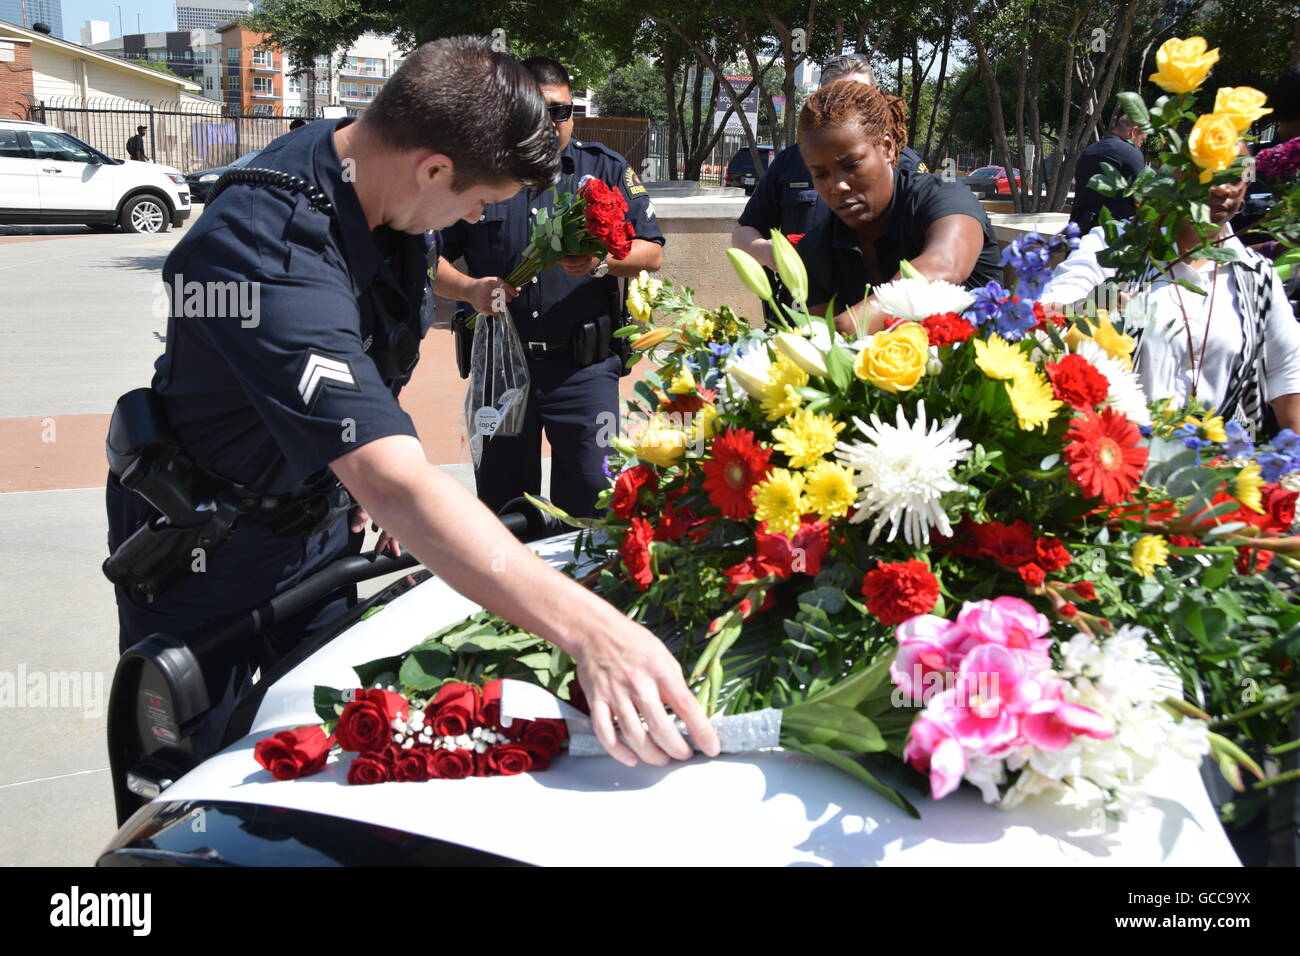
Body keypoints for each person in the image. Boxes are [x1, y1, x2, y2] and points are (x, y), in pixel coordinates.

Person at [105, 36, 718, 769]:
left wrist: (347, 478)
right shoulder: (270, 246)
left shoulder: (382, 196)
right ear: (433, 168)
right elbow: (394, 478)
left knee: (313, 753)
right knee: (218, 781)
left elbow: (362, 373)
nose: (466, 222)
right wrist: (594, 632)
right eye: (479, 203)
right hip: (212, 566)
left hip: (319, 537)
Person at [434, 57, 664, 519]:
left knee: (594, 504)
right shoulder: (479, 175)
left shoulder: (604, 170)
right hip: (501, 368)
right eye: (539, 113)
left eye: (562, 111)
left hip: (582, 371)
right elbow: (422, 258)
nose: (552, 123)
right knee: (504, 510)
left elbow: (652, 253)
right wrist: (470, 289)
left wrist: (602, 261)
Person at [1041, 141, 1300, 437]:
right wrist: (1094, 305)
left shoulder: (1255, 275)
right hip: (1118, 456)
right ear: (1176, 174)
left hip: (1219, 466)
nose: (1224, 189)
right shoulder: (1114, 249)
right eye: (1208, 173)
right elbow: (1050, 311)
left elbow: (1288, 368)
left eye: (1236, 176)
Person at [794, 81, 1003, 335]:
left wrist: (851, 325)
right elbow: (829, 354)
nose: (837, 186)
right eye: (820, 174)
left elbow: (946, 265)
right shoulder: (816, 248)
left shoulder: (944, 197)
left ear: (887, 148)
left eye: (851, 165)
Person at [731, 53, 930, 274]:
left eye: (859, 96)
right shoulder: (790, 162)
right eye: (820, 174)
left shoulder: (906, 164)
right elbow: (744, 231)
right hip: (804, 303)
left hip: (880, 300)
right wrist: (768, 252)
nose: (838, 186)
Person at [1068, 115, 1148, 233]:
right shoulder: (1131, 153)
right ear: (1134, 131)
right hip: (1111, 235)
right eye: (1142, 139)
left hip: (1079, 229)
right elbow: (1142, 197)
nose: (1140, 144)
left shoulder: (1089, 151)